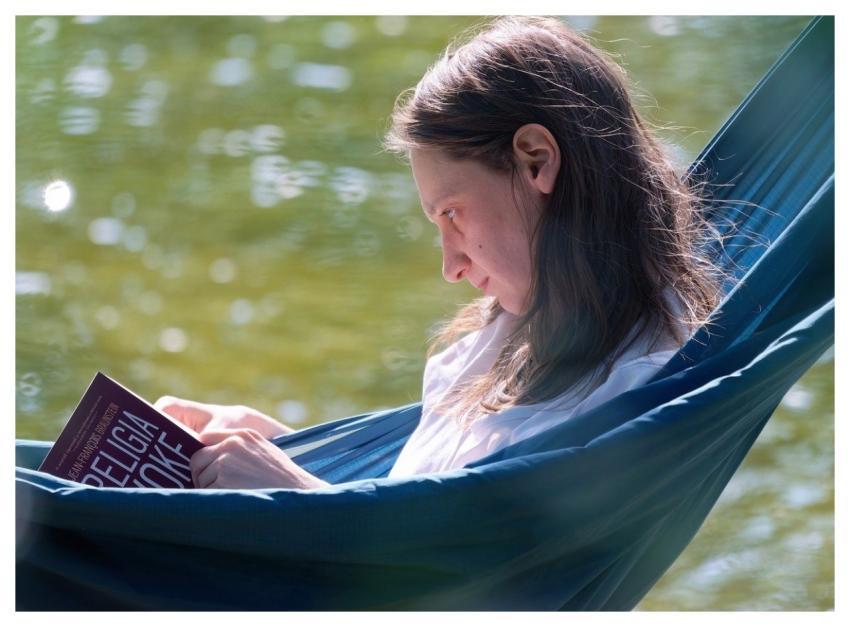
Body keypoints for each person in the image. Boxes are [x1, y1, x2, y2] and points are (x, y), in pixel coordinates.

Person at [155, 16, 723, 489]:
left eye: (452, 213)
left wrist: (297, 498)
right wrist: (281, 450)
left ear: (536, 160)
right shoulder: (517, 336)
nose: (451, 267)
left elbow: (460, 563)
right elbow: (421, 507)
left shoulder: (632, 397)